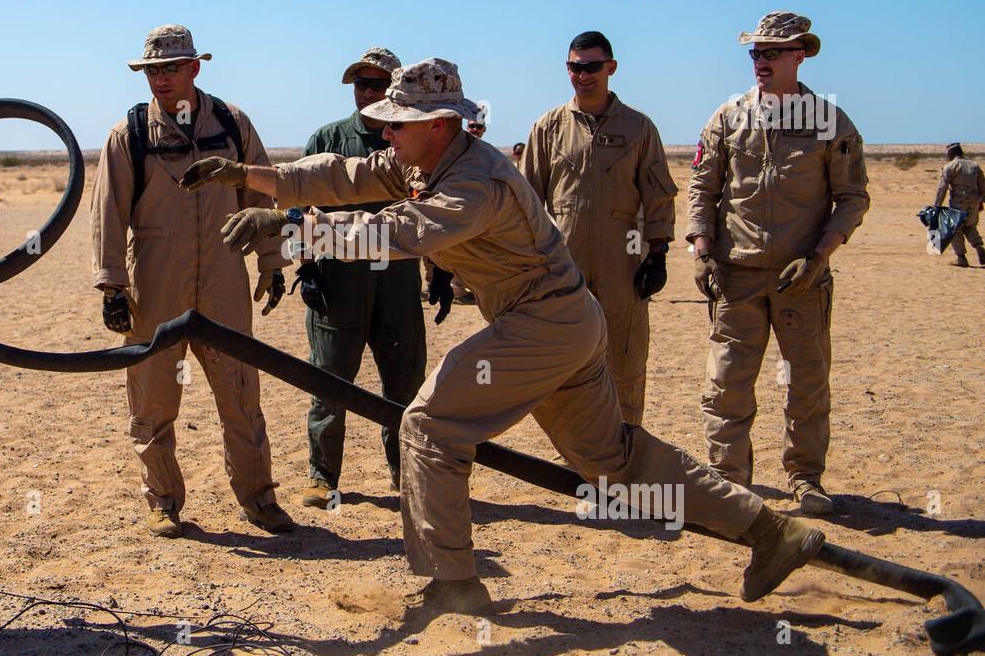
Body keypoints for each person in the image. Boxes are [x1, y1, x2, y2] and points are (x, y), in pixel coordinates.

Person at [182, 57, 824, 614]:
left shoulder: (472, 181)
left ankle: (453, 583)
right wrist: (245, 176)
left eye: (397, 123)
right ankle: (770, 532)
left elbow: (393, 236)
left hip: (543, 323)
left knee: (430, 426)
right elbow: (342, 177)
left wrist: (290, 230)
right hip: (561, 323)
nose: (385, 132)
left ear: (438, 124)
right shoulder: (423, 157)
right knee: (613, 463)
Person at [90, 24, 295, 538]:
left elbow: (261, 191)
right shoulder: (129, 134)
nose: (159, 79)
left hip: (225, 284)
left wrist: (271, 260)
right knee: (153, 401)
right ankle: (162, 503)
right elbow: (107, 214)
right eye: (152, 70)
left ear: (194, 68)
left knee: (241, 397)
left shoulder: (231, 123)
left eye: (170, 69)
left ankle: (259, 500)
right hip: (155, 287)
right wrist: (113, 285)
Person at [688, 12, 870, 516]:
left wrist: (819, 256)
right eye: (755, 53)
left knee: (806, 382)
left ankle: (805, 478)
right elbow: (702, 188)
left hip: (801, 278)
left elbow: (852, 197)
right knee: (727, 382)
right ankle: (727, 480)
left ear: (800, 54)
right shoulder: (728, 117)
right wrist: (702, 250)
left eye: (771, 52)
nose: (760, 61)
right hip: (736, 273)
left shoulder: (831, 122)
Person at [521, 31, 676, 424]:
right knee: (566, 362)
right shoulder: (548, 128)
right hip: (563, 267)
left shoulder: (639, 128)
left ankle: (626, 449)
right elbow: (526, 202)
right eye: (575, 67)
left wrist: (657, 255)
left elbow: (657, 196)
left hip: (623, 266)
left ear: (611, 68)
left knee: (623, 359)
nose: (583, 75)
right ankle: (579, 455)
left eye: (591, 67)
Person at [295, 47, 426, 506]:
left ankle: (406, 476)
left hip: (398, 282)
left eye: (378, 85)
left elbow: (437, 212)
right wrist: (305, 264)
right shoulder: (326, 138)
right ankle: (322, 477)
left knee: (404, 386)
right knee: (329, 382)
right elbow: (297, 204)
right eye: (361, 84)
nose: (368, 92)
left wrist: (443, 274)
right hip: (339, 283)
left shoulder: (414, 141)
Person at [934, 142, 985, 267]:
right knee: (970, 226)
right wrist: (981, 201)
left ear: (951, 153)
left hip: (958, 202)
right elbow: (983, 185)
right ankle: (979, 247)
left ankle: (961, 257)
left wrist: (937, 206)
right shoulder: (974, 165)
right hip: (974, 202)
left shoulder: (950, 167)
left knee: (954, 228)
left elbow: (942, 188)